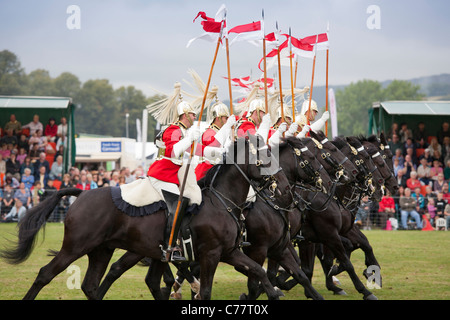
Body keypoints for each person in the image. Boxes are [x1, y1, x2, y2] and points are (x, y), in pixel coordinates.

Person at [147, 82, 201, 262]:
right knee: (177, 207)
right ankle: (169, 247)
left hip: (171, 175)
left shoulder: (183, 131)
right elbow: (173, 152)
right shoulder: (173, 129)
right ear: (185, 115)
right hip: (162, 174)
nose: (195, 116)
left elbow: (192, 153)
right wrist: (190, 139)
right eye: (193, 114)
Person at [195, 100, 235, 180]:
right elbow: (214, 144)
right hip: (205, 171)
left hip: (214, 170)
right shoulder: (209, 132)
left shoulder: (218, 132)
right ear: (218, 118)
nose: (227, 120)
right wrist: (227, 126)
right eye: (226, 118)